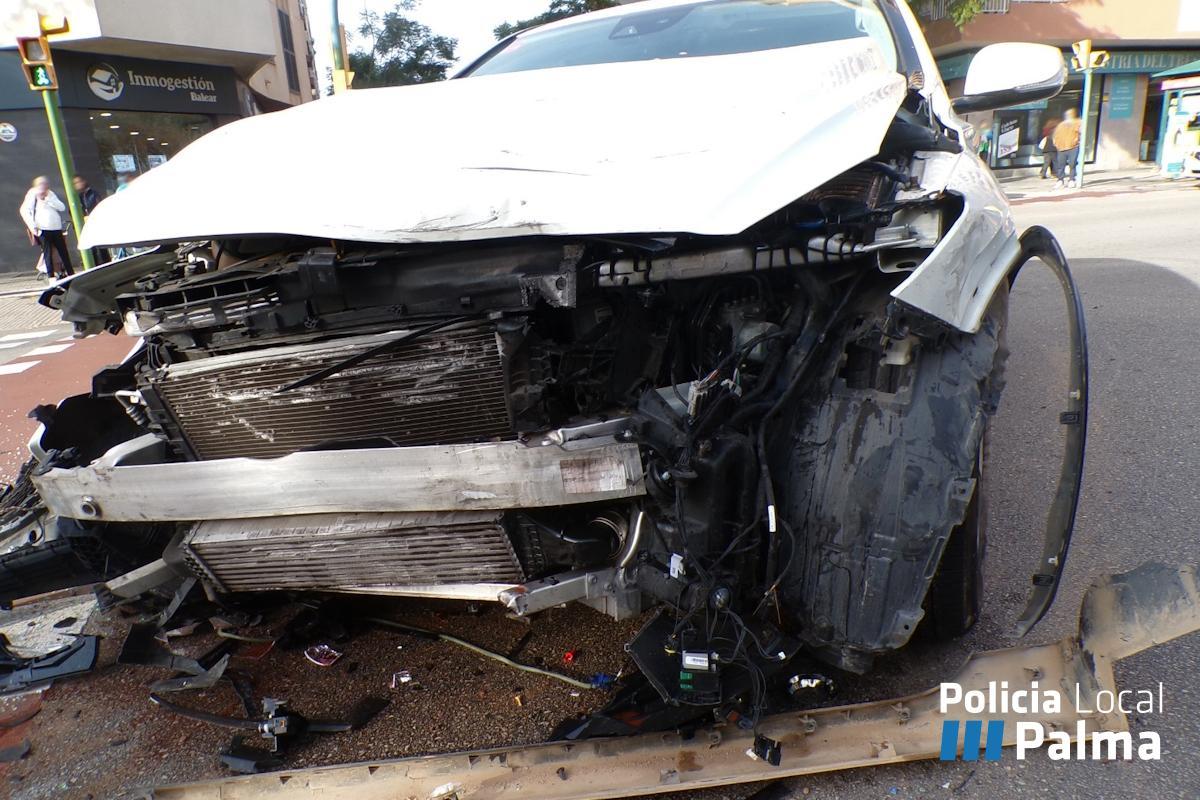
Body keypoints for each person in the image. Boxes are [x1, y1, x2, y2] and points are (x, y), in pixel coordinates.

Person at [19, 176, 74, 279]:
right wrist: (33, 227)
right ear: (36, 185)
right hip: (43, 229)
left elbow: (61, 207)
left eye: (46, 184)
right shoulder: (32, 194)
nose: (44, 187)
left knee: (63, 252)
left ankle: (71, 274)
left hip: (56, 228)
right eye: (41, 184)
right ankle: (51, 278)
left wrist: (48, 199)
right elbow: (24, 211)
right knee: (47, 254)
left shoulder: (50, 194)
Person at [72, 175, 109, 265]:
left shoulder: (93, 194)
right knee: (91, 249)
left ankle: (105, 263)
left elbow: (98, 205)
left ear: (84, 181)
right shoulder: (77, 197)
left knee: (101, 247)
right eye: (75, 183)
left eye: (79, 182)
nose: (77, 185)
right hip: (85, 226)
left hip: (95, 223)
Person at [1052, 108, 1082, 189]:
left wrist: (1077, 139)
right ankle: (1060, 180)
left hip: (1073, 147)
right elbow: (1055, 135)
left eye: (1070, 114)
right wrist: (1056, 143)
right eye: (1067, 114)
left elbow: (1081, 131)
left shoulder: (1077, 122)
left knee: (1072, 164)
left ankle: (1072, 179)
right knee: (1060, 165)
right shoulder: (1061, 125)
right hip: (1061, 147)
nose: (1068, 116)